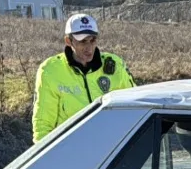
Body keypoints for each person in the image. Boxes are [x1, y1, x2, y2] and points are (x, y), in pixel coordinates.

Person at [32, 12, 136, 143]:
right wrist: (44, 156)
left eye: (92, 40)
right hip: (72, 150)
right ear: (68, 41)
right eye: (82, 41)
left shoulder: (115, 65)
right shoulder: (50, 70)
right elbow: (43, 123)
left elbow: (134, 107)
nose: (89, 47)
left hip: (112, 148)